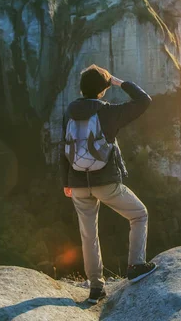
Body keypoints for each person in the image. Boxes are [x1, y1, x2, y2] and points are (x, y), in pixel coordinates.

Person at [60, 64, 156, 304]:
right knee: (139, 215)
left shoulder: (69, 113)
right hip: (106, 182)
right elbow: (144, 101)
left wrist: (66, 182)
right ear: (102, 90)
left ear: (81, 89)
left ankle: (95, 288)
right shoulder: (109, 113)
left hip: (78, 183)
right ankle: (135, 265)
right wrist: (118, 81)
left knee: (88, 235)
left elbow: (62, 149)